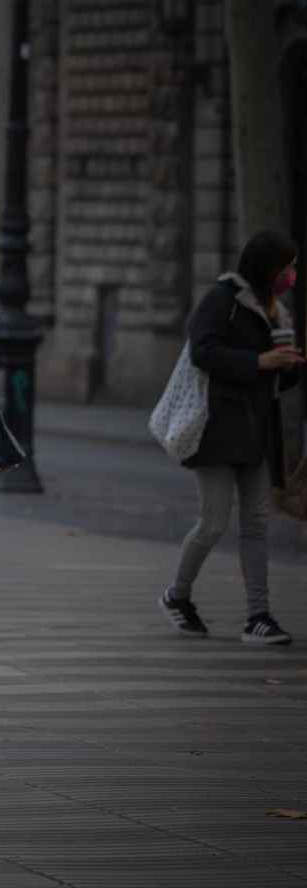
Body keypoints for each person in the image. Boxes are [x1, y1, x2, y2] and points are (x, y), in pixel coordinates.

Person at [160, 230, 304, 646]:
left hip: (258, 430)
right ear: (265, 267)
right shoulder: (223, 299)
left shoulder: (278, 311)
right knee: (213, 522)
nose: (291, 275)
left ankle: (258, 616)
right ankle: (177, 595)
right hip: (217, 430)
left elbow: (281, 378)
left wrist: (288, 363)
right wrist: (259, 361)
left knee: (256, 523)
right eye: (286, 267)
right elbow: (202, 351)